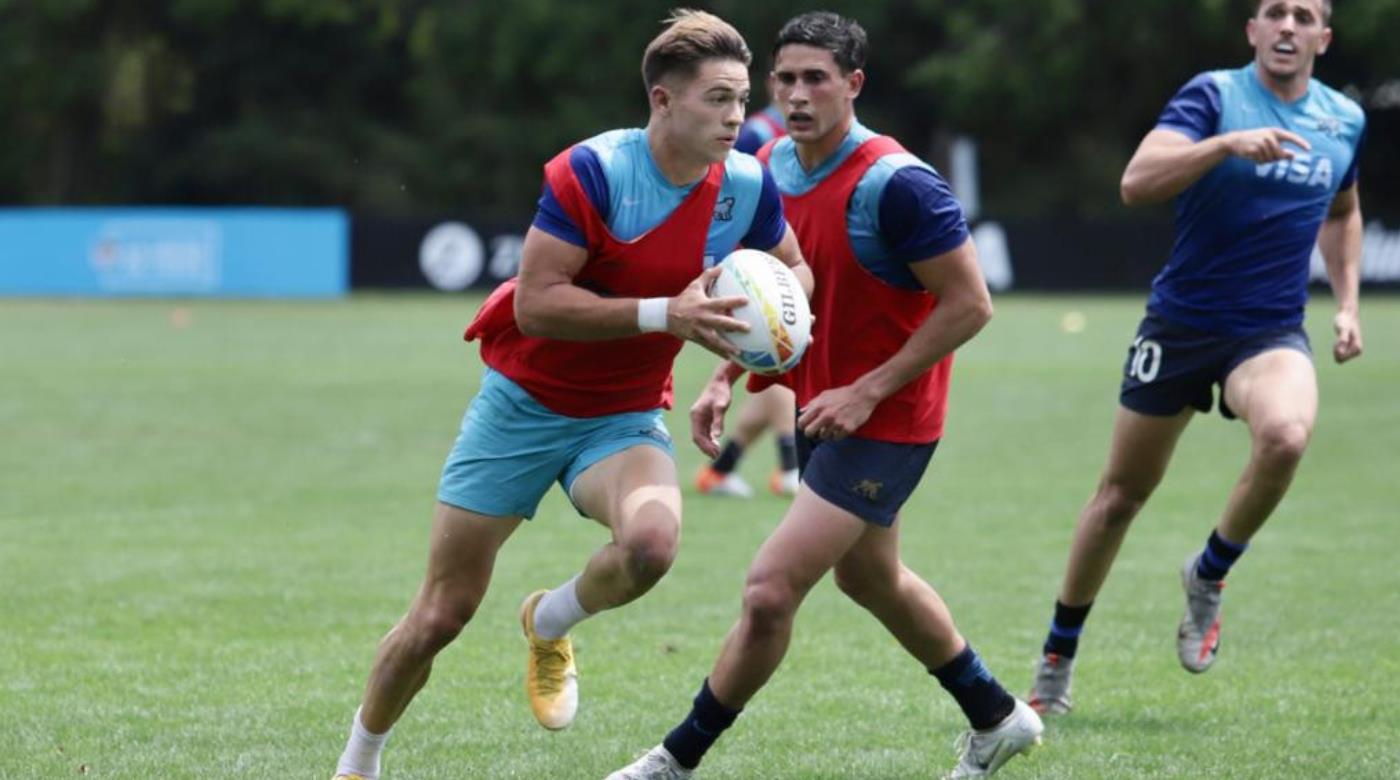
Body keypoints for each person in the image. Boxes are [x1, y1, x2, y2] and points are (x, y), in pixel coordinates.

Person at [330, 10, 813, 780]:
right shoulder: (594, 172)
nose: (736, 117)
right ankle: (359, 761)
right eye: (717, 99)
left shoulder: (747, 185)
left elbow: (795, 276)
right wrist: (667, 314)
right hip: (522, 405)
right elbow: (537, 303)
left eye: (740, 97)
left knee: (652, 547)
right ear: (662, 100)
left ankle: (549, 620)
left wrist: (735, 363)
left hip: (622, 417)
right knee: (439, 616)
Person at [607, 12, 1042, 780]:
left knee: (770, 589)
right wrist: (721, 376)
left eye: (816, 78)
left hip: (889, 419)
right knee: (871, 578)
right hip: (823, 408)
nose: (797, 94)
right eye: (786, 78)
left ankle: (674, 761)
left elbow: (970, 304)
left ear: (854, 85)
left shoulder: (898, 184)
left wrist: (867, 392)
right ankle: (998, 716)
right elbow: (770, 299)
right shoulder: (768, 164)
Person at [1028, 0, 1365, 716]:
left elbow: (1343, 211)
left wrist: (1346, 305)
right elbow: (1135, 182)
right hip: (1180, 326)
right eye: (1273, 11)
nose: (1286, 26)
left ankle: (1209, 574)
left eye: (1303, 16)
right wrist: (1223, 146)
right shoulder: (1213, 95)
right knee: (1121, 496)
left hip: (1268, 332)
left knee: (1286, 436)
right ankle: (1057, 655)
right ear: (1252, 30)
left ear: (1323, 38)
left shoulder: (1345, 119)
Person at [695, 98, 801, 499]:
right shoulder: (757, 133)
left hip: (787, 259)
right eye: (789, 79)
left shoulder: (809, 137)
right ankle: (791, 465)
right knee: (777, 348)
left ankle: (721, 470)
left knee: (773, 359)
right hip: (752, 270)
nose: (799, 92)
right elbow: (719, 189)